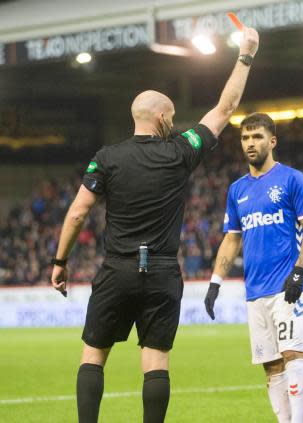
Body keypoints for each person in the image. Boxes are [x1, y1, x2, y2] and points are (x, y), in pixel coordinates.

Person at [50, 26, 260, 423]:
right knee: (156, 360)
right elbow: (225, 108)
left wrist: (60, 262)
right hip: (162, 271)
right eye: (173, 117)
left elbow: (78, 212)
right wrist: (246, 54)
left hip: (117, 268)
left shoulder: (107, 157)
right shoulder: (180, 151)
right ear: (162, 118)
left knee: (94, 352)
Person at [203, 112, 303, 423]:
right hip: (254, 291)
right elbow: (232, 239)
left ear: (273, 141)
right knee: (271, 365)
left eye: (256, 137)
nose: (250, 143)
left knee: (293, 354)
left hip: (287, 287)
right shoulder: (237, 190)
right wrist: (215, 282)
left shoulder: (293, 179)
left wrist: (299, 270)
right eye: (245, 138)